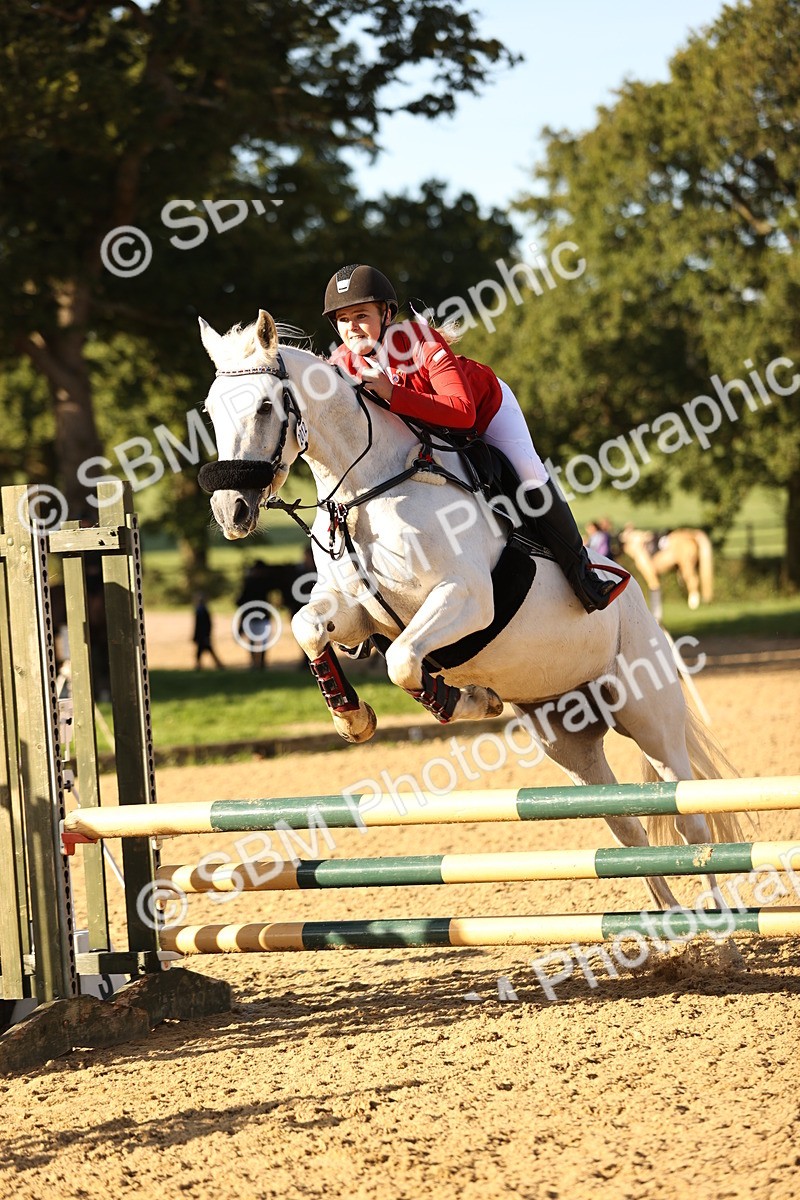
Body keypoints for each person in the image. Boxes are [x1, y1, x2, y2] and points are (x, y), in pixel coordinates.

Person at [322, 263, 629, 613]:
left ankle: (583, 574)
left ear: (387, 313)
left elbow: (462, 411)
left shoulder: (420, 341)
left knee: (529, 474)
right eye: (343, 319)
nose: (352, 327)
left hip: (485, 410)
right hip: (427, 432)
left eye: (361, 314)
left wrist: (394, 395)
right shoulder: (341, 364)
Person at [192, 593, 224, 670]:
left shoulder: (201, 611)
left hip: (203, 635)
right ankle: (217, 665)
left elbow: (202, 625)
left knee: (203, 651)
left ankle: (200, 665)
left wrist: (203, 635)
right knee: (204, 651)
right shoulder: (202, 610)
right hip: (203, 635)